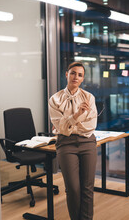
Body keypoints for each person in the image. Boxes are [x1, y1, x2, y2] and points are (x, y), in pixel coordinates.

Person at [48, 62, 97, 220]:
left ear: (83, 79)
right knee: (73, 189)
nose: (76, 77)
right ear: (66, 74)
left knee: (87, 188)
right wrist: (77, 116)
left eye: (80, 75)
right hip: (65, 143)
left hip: (87, 142)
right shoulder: (55, 100)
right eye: (73, 73)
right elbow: (61, 129)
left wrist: (68, 123)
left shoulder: (89, 97)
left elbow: (90, 126)